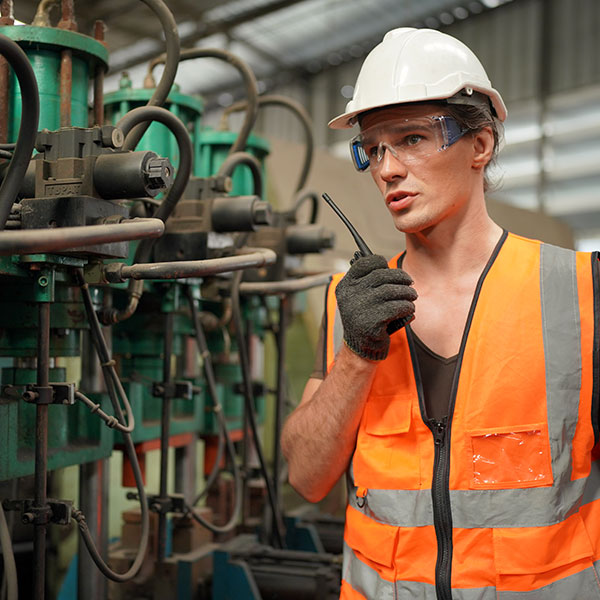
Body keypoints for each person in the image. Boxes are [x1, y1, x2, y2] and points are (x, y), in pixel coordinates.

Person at [280, 27, 600, 600]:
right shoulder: (347, 304)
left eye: (411, 138)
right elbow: (306, 477)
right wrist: (357, 354)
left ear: (481, 144)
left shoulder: (580, 293)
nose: (387, 169)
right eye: (374, 149)